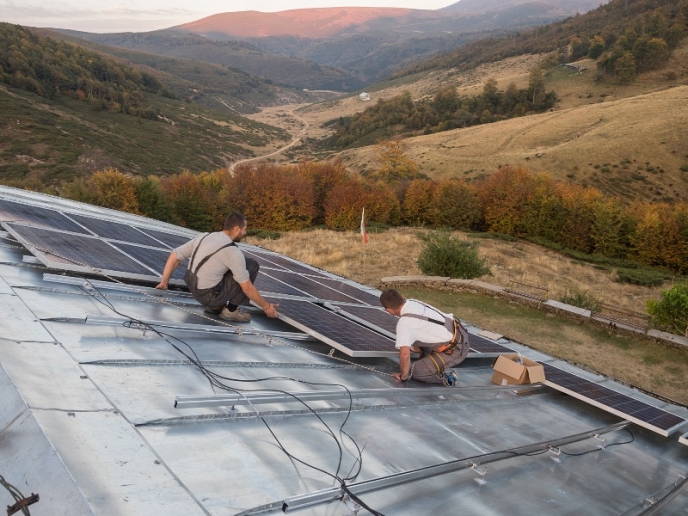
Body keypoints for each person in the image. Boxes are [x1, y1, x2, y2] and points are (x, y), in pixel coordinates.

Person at [156, 212, 278, 322]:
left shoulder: (204, 236)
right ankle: (231, 311)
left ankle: (214, 307)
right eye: (244, 229)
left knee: (230, 266)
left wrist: (164, 282)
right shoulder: (232, 251)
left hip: (193, 288)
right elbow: (247, 288)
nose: (245, 233)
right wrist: (266, 306)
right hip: (208, 296)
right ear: (236, 229)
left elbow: (174, 255)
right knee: (251, 265)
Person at [380, 288, 469, 385]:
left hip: (455, 348)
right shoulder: (412, 302)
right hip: (458, 332)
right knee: (410, 338)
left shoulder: (404, 323)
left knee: (417, 372)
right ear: (402, 297)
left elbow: (405, 355)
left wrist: (403, 376)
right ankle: (429, 357)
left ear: (388, 310)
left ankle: (448, 379)